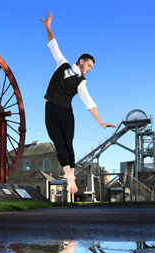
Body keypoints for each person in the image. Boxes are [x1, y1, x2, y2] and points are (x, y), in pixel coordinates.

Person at [40, 12, 116, 194]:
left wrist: (100, 121)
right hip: (50, 108)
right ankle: (70, 176)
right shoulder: (62, 64)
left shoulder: (81, 83)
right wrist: (48, 27)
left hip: (66, 114)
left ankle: (71, 179)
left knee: (68, 145)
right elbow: (53, 45)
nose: (90, 70)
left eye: (91, 68)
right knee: (58, 144)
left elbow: (90, 103)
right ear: (81, 61)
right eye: (89, 66)